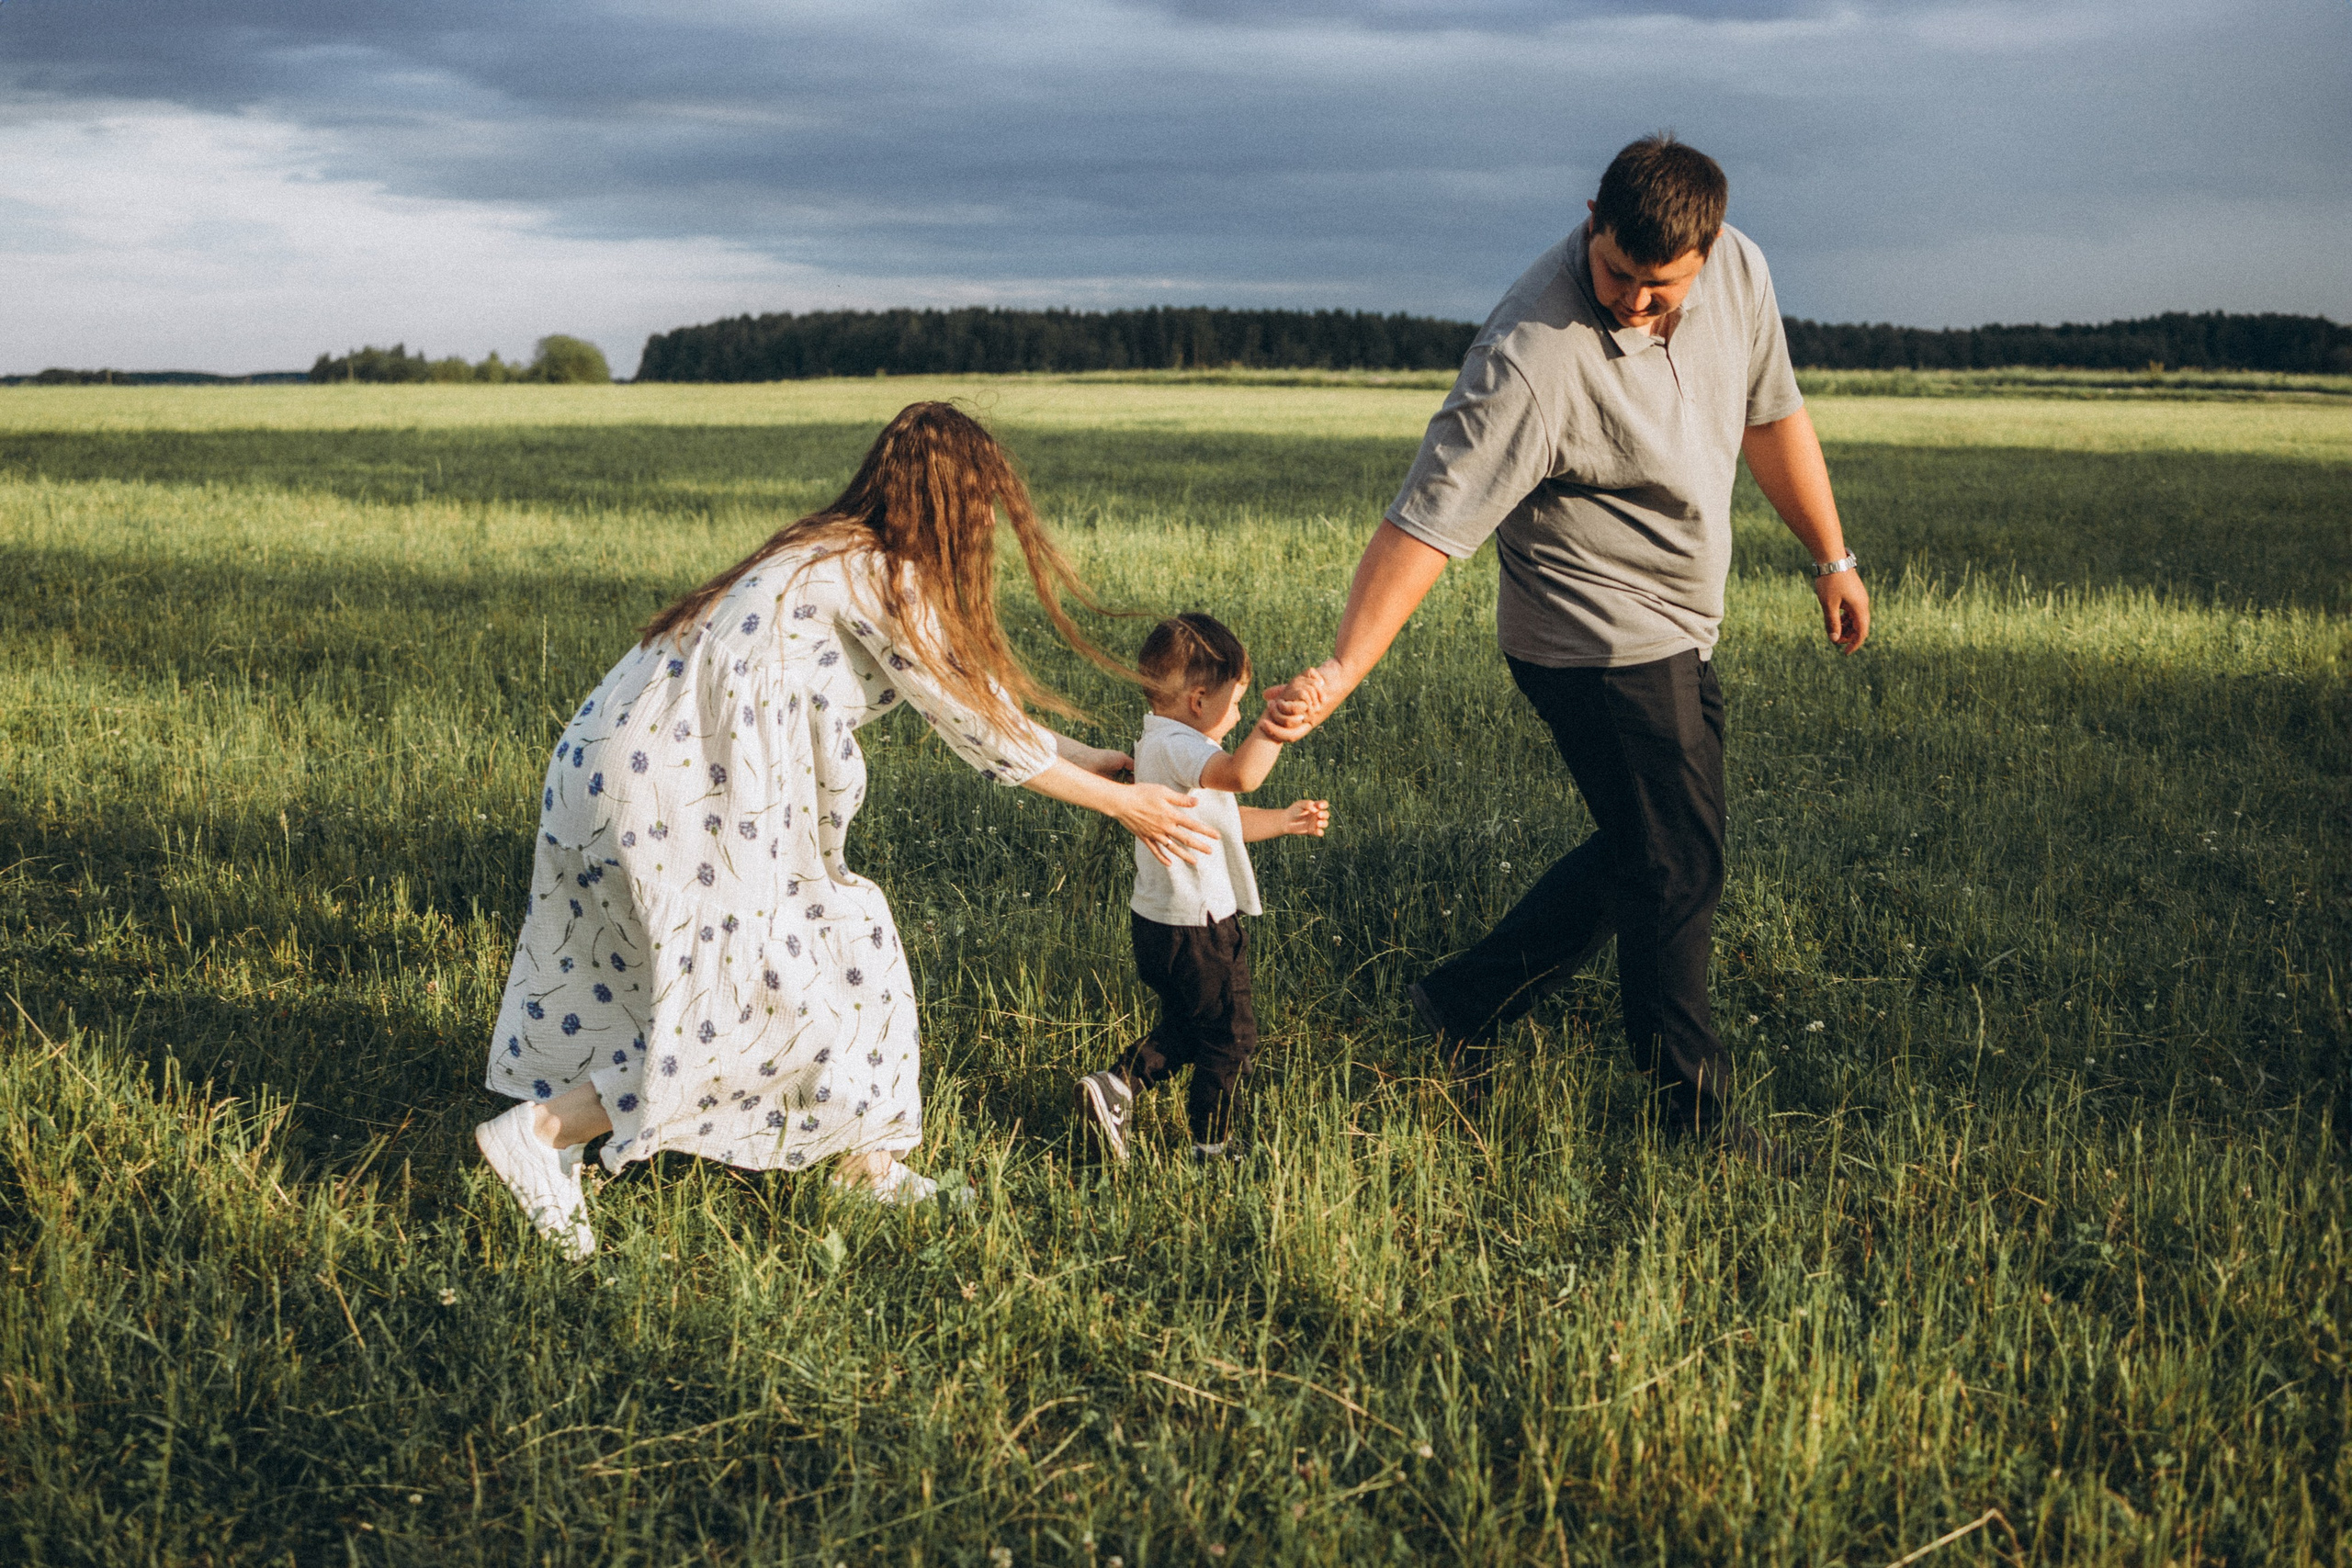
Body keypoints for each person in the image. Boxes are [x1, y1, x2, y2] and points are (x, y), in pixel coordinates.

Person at [473, 402, 1219, 1258]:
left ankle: (863, 1166)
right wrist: (1126, 804)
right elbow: (975, 730)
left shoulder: (833, 551)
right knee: (759, 1003)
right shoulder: (884, 575)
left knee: (843, 949)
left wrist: (1090, 758)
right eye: (981, 511)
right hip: (681, 787)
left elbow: (978, 702)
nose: (984, 533)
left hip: (613, 764)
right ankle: (542, 1134)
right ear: (955, 507)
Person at [1269, 134, 1870, 1162]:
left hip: (1678, 621)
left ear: (1709, 249)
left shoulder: (1742, 272)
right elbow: (1424, 524)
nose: (1635, 301)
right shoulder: (1530, 356)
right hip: (1587, 639)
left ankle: (1461, 1002)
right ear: (1592, 216)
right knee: (1676, 858)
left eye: (1659, 285)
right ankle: (1692, 1119)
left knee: (1651, 844)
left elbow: (1771, 414)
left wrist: (1829, 555)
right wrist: (1342, 668)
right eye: (1617, 274)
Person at [1075, 615, 1329, 1164]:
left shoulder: (1162, 745)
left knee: (1191, 1026)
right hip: (1200, 929)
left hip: (1164, 925)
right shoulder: (1182, 747)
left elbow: (1223, 821)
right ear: (1197, 700)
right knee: (1231, 1038)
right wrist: (1274, 724)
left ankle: (1115, 1088)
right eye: (1236, 701)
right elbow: (1241, 776)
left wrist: (1283, 821)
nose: (1238, 715)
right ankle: (1211, 1149)